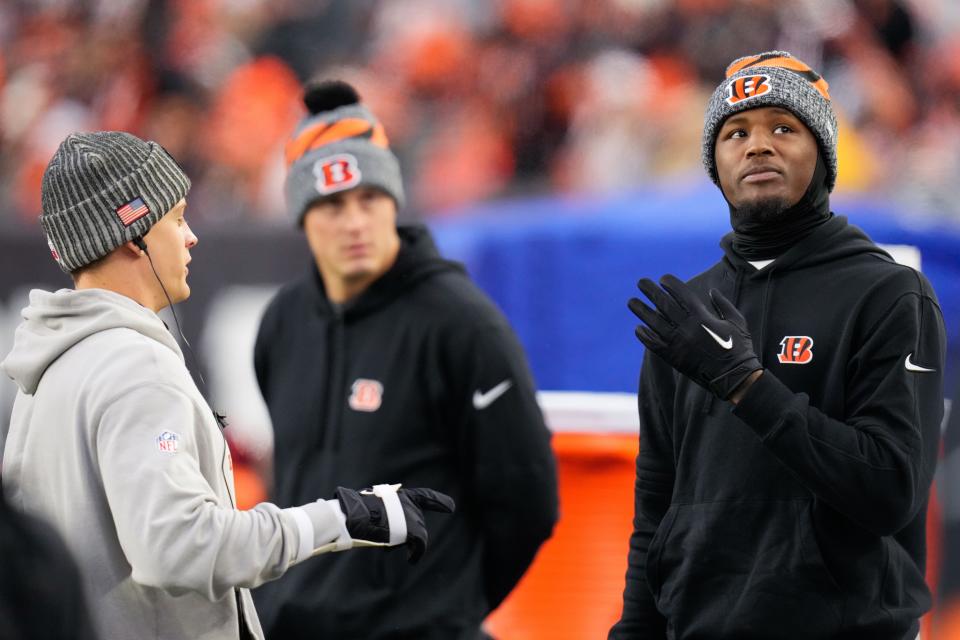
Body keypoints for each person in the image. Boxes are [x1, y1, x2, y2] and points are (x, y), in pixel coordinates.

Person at [0, 131, 454, 640]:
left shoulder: (45, 368)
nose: (191, 236)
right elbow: (180, 547)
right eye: (176, 218)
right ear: (136, 235)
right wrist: (344, 520)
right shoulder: (133, 368)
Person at [611, 51, 946, 639]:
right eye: (735, 132)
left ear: (823, 154)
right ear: (714, 163)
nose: (757, 146)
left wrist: (747, 385)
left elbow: (892, 490)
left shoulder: (890, 294)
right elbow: (656, 506)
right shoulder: (689, 310)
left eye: (783, 128)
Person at [252, 81, 559, 639]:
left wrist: (446, 610)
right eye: (331, 205)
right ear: (301, 216)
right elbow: (288, 485)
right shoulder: (282, 323)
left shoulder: (460, 322)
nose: (354, 222)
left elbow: (529, 500)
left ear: (393, 199)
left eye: (369, 199)